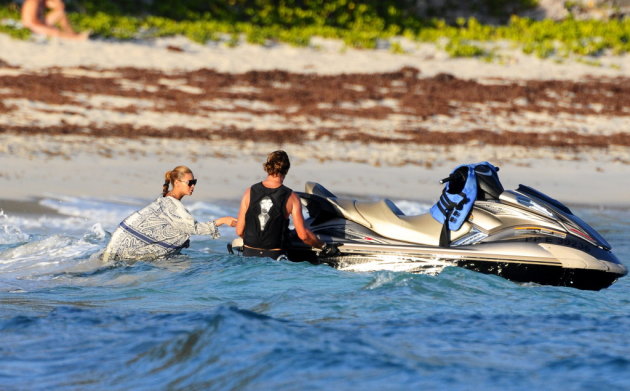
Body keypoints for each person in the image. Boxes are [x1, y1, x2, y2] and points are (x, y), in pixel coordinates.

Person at [102, 165, 236, 262]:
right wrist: (223, 220)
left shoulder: (165, 199)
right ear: (177, 183)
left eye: (194, 182)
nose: (193, 186)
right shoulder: (171, 205)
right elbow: (194, 229)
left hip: (117, 245)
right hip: (124, 250)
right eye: (190, 183)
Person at [235, 150, 338, 260]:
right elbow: (303, 235)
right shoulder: (291, 197)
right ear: (287, 170)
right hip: (275, 257)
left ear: (267, 167)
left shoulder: (249, 192)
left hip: (249, 255)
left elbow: (239, 231)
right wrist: (324, 247)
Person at [21, 0, 89, 40]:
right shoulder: (33, 2)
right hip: (32, 25)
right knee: (54, 31)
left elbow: (59, 6)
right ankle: (75, 38)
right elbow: (31, 21)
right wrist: (48, 28)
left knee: (60, 13)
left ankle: (70, 32)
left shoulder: (41, 1)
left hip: (40, 22)